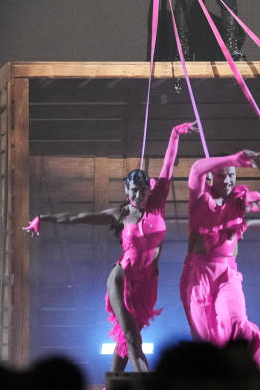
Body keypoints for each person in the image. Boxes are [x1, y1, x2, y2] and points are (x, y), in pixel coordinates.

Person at [24, 121, 197, 372]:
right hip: (121, 280)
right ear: (127, 192)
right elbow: (77, 217)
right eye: (134, 191)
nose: (139, 195)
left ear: (149, 189)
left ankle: (110, 389)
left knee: (126, 340)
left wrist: (174, 134)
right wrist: (43, 218)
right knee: (132, 338)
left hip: (147, 283)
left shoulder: (157, 201)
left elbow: (168, 165)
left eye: (143, 190)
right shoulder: (121, 214)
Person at [179, 149, 260, 370]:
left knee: (238, 323)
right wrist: (232, 159)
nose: (228, 180)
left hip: (227, 273)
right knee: (207, 338)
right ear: (212, 176)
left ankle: (257, 370)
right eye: (222, 175)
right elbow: (196, 169)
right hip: (197, 274)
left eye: (232, 175)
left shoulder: (237, 199)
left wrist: (249, 202)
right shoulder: (200, 197)